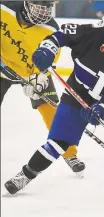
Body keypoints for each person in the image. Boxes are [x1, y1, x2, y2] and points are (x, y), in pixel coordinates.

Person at [4, 17, 104, 195]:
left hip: (103, 102)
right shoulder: (98, 36)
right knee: (58, 142)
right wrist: (47, 50)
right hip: (76, 95)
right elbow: (61, 35)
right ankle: (24, 175)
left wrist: (103, 109)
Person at [0, 1, 85, 175]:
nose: (44, 13)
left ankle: (69, 153)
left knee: (52, 111)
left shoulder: (51, 29)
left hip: (31, 72)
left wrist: (39, 77)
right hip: (3, 68)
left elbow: (48, 60)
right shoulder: (3, 8)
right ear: (27, 3)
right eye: (40, 7)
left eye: (47, 8)